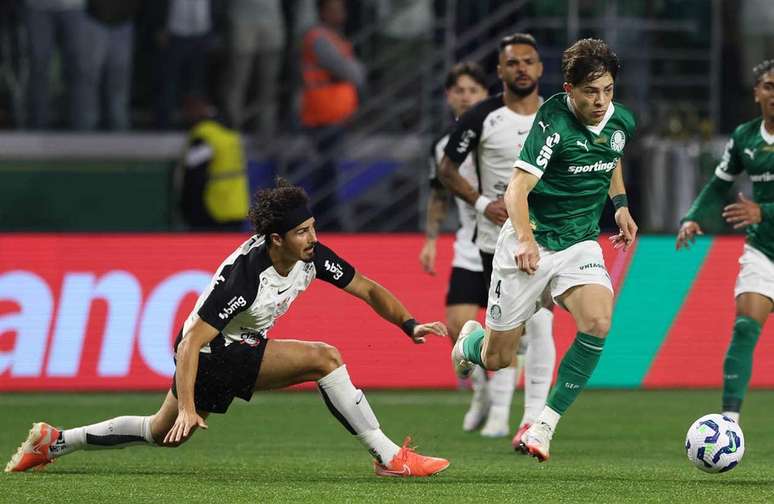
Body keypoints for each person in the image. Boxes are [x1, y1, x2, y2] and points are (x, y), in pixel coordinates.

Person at [5, 179, 450, 478]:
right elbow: (192, 341)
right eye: (302, 232)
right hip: (211, 352)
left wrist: (407, 323)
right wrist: (186, 405)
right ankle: (389, 456)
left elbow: (368, 289)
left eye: (313, 227)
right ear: (276, 239)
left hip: (233, 346)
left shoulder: (312, 256)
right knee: (324, 357)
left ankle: (56, 441)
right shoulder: (247, 278)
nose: (313, 238)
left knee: (160, 434)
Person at [451, 38, 639, 462]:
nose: (600, 101)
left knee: (598, 322)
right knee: (498, 358)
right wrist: (526, 240)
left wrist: (621, 205)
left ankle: (543, 426)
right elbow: (517, 189)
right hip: (530, 240)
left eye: (607, 90)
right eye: (590, 91)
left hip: (579, 242)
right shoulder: (551, 123)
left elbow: (611, 155)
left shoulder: (620, 119)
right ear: (569, 88)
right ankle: (469, 343)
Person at [437, 34, 556, 445]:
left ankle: (532, 419)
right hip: (497, 242)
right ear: (501, 72)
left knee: (542, 326)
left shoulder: (557, 115)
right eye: (513, 63)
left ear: (540, 69)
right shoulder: (481, 117)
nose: (522, 68)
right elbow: (446, 169)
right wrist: (483, 201)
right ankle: (494, 400)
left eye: (529, 61)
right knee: (510, 334)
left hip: (551, 238)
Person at [676, 59, 774, 424]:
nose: (773, 94)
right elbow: (719, 185)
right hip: (764, 249)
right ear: (756, 93)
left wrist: (763, 210)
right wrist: (693, 217)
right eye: (768, 86)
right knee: (746, 325)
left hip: (763, 223)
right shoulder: (745, 137)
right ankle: (729, 421)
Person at [420, 61, 490, 431]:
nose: (466, 97)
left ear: (485, 95)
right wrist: (431, 240)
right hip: (469, 244)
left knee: (517, 333)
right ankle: (480, 393)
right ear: (449, 97)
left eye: (473, 91)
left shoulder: (501, 129)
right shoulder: (444, 147)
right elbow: (438, 196)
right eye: (459, 91)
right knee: (457, 325)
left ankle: (524, 411)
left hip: (510, 241)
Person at [299, 0, 365, 230]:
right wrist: (357, 71)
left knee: (329, 172)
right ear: (323, 12)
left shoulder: (332, 37)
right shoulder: (319, 38)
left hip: (333, 114)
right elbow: (351, 72)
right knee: (325, 173)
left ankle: (325, 219)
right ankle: (326, 222)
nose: (342, 13)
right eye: (335, 9)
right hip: (322, 115)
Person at [177, 96, 249, 230]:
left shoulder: (205, 134)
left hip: (214, 209)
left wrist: (187, 208)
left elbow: (193, 176)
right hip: (237, 206)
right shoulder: (229, 131)